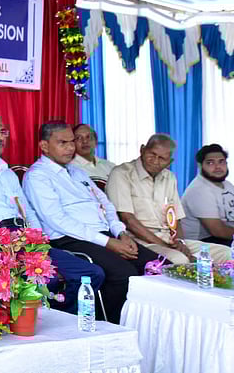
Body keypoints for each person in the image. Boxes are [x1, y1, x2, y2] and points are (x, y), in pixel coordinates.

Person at [0, 114, 104, 315]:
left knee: (92, 273)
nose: (0, 137)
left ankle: (62, 319)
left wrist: (37, 237)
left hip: (25, 236)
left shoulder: (7, 172)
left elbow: (27, 211)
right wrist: (8, 242)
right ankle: (47, 322)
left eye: (3, 132)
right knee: (50, 279)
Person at [23, 122, 160, 324]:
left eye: (72, 142)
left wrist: (120, 233)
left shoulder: (77, 172)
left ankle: (151, 324)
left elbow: (106, 204)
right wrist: (108, 242)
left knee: (158, 266)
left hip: (106, 234)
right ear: (44, 146)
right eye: (63, 143)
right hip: (70, 239)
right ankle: (115, 326)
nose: (71, 148)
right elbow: (58, 220)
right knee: (125, 274)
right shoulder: (37, 176)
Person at [107, 134, 233, 264]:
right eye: (152, 154)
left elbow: (176, 218)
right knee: (180, 259)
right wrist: (168, 247)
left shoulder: (170, 177)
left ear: (169, 162)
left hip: (169, 240)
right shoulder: (122, 173)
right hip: (139, 241)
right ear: (142, 149)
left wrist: (180, 242)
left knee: (227, 253)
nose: (155, 161)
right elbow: (128, 220)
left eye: (162, 158)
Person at [180, 144, 234, 246]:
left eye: (221, 161)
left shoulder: (228, 185)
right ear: (200, 165)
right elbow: (218, 231)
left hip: (226, 237)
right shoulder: (199, 190)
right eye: (210, 163)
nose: (218, 167)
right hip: (203, 242)